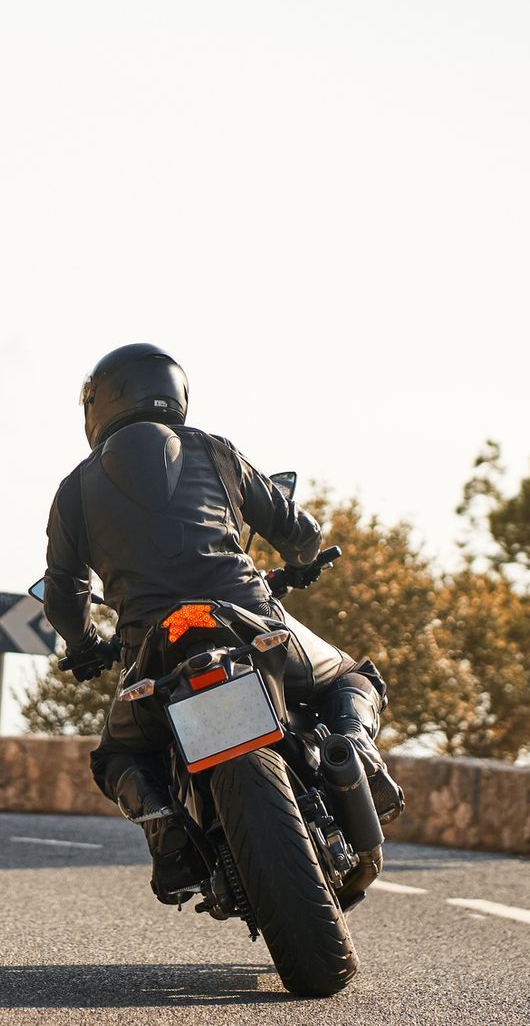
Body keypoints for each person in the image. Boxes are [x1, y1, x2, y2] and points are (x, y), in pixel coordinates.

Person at [41, 343, 404, 903]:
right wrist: (303, 563)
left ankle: (163, 820)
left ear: (98, 406)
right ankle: (352, 746)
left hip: (150, 647)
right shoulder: (214, 452)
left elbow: (65, 596)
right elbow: (297, 529)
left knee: (118, 755)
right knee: (351, 678)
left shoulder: (74, 490)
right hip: (250, 616)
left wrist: (85, 642)